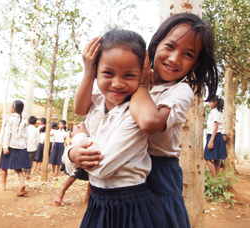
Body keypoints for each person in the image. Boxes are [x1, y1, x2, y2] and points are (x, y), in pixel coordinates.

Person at [73, 13, 219, 228]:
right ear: (154, 45)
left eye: (188, 54)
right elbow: (83, 108)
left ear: (195, 64)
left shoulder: (179, 90)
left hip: (159, 177)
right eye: (170, 46)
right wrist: (89, 72)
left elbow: (150, 123)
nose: (174, 58)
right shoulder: (128, 80)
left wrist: (142, 86)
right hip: (124, 172)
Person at [63, 28, 171, 228]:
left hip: (131, 207)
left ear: (142, 74)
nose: (117, 83)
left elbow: (101, 168)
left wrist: (75, 144)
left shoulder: (135, 113)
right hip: (100, 202)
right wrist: (88, 70)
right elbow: (79, 108)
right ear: (96, 71)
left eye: (129, 75)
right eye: (107, 73)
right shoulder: (97, 105)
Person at [0, 100, 31, 196]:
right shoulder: (24, 120)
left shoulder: (9, 118)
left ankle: (3, 185)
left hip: (10, 145)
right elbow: (26, 135)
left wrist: (5, 146)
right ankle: (22, 183)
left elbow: (7, 132)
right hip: (21, 146)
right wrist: (25, 146)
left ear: (13, 108)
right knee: (18, 168)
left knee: (4, 167)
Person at [55, 129, 91, 206]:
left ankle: (87, 197)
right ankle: (62, 192)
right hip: (78, 152)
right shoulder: (82, 125)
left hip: (90, 152)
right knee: (73, 176)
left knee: (92, 178)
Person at [204, 96, 227, 178]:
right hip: (217, 136)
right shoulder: (218, 112)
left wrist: (211, 141)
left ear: (215, 102)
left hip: (214, 136)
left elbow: (215, 126)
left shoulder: (215, 112)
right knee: (217, 159)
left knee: (207, 158)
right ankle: (216, 180)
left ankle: (214, 179)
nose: (209, 104)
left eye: (210, 102)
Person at [23, 116, 39, 180]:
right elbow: (38, 139)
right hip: (32, 147)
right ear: (35, 123)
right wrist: (36, 146)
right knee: (30, 160)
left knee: (24, 159)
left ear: (28, 122)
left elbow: (23, 138)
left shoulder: (26, 129)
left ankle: (24, 172)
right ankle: (28, 173)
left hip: (25, 147)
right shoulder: (36, 130)